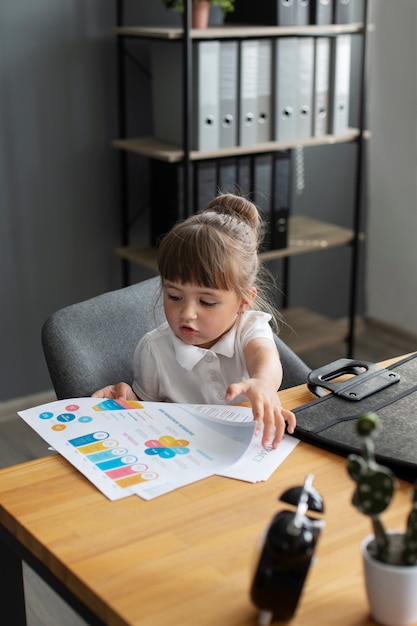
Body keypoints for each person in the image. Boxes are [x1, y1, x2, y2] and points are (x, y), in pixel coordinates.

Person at [93, 193, 296, 448]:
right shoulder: (154, 350)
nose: (187, 313)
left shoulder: (249, 328)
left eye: (207, 302)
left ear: (244, 301)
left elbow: (264, 358)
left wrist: (263, 384)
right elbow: (147, 413)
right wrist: (125, 398)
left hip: (252, 449)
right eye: (174, 296)